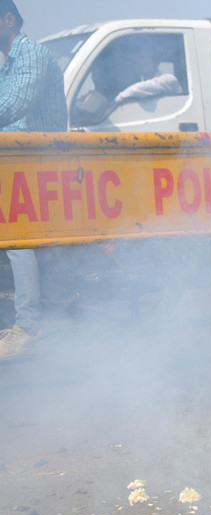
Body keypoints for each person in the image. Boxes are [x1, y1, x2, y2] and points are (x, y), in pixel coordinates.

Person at [0, 0, 67, 361]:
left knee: (16, 236)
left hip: (40, 163)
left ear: (8, 20)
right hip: (17, 162)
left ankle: (27, 325)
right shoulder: (8, 65)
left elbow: (14, 105)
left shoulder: (31, 56)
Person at [112, 45, 182, 104]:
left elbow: (143, 88)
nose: (140, 61)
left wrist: (117, 101)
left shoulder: (169, 79)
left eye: (144, 57)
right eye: (138, 58)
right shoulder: (138, 86)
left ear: (157, 61)